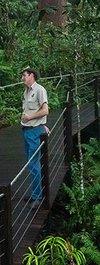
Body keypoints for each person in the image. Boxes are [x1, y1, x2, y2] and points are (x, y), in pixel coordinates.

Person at [19, 67, 48, 202]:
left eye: (24, 75)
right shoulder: (26, 92)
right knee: (31, 164)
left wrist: (31, 118)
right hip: (26, 131)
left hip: (34, 131)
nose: (22, 78)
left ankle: (38, 197)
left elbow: (45, 110)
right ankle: (35, 192)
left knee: (34, 165)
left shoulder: (39, 90)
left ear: (31, 76)